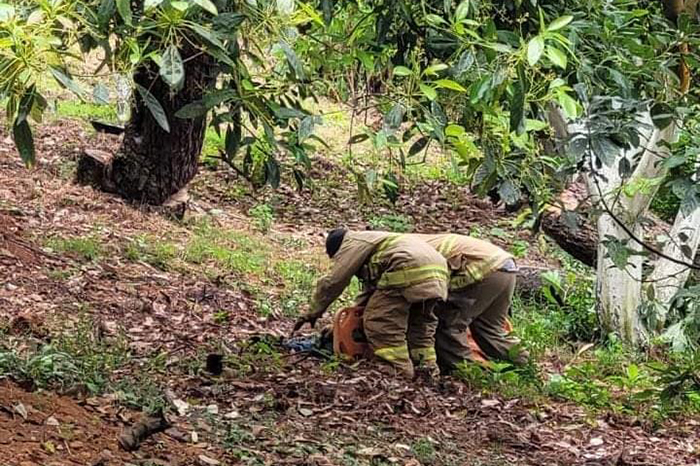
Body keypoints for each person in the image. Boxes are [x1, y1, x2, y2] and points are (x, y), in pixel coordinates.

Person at [294, 228, 449, 378]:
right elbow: (371, 295)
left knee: (381, 323)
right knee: (419, 328)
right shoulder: (373, 242)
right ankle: (428, 371)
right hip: (439, 271)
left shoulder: (350, 244)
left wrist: (312, 313)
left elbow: (332, 282)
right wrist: (341, 326)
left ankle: (398, 372)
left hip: (407, 266)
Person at [410, 233, 528, 372]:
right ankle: (527, 363)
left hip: (481, 268)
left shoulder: (400, 251)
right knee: (491, 331)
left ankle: (468, 374)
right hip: (504, 266)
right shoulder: (412, 241)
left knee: (449, 324)